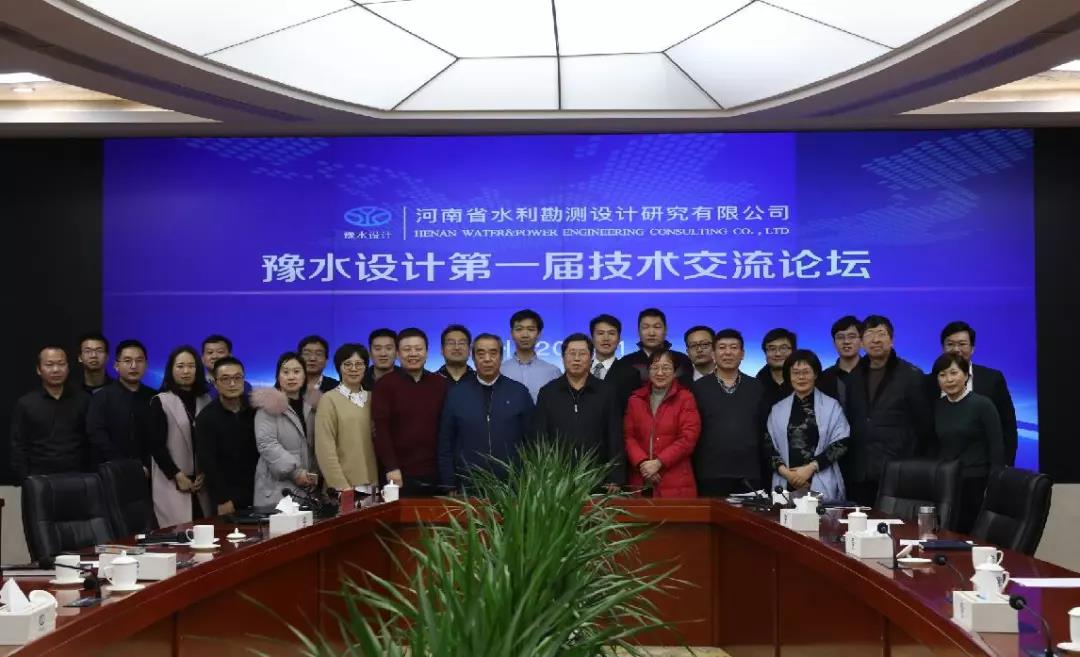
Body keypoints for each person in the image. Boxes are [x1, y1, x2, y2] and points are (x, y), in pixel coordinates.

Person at [842, 315, 934, 506]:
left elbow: (925, 426)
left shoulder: (912, 376)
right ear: (862, 342)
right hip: (859, 472)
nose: (875, 339)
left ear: (891, 340)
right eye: (869, 334)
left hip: (897, 471)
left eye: (881, 334)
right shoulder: (853, 377)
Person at [438, 333, 534, 489]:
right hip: (468, 485)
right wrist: (449, 484)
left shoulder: (519, 392)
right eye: (481, 354)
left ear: (501, 357)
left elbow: (533, 441)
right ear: (473, 358)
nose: (487, 359)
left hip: (513, 485)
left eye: (493, 353)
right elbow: (445, 443)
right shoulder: (457, 394)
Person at [533, 333, 625, 485]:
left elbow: (615, 436)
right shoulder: (548, 393)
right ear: (563, 357)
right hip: (557, 479)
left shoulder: (606, 392)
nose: (576, 358)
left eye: (582, 354)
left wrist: (615, 476)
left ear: (591, 357)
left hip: (598, 476)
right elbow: (540, 437)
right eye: (572, 353)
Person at [931, 352, 1004, 532]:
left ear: (966, 375)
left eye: (954, 373)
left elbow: (997, 447)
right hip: (946, 481)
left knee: (970, 533)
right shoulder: (938, 406)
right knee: (945, 531)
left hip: (976, 482)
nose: (949, 379)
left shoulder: (983, 405)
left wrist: (993, 486)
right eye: (942, 375)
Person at [764, 350, 850, 501]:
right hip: (786, 481)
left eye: (806, 372)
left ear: (815, 374)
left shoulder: (831, 406)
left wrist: (810, 468)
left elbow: (841, 443)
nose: (801, 377)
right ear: (789, 376)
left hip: (820, 479)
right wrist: (788, 474)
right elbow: (768, 446)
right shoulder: (778, 409)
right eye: (796, 373)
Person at [691, 329, 767, 497]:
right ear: (713, 354)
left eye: (733, 347)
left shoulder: (756, 387)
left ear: (742, 354)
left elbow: (763, 430)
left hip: (749, 471)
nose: (727, 352)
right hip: (709, 473)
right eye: (722, 347)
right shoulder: (698, 388)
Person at [373, 328, 449, 493]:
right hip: (397, 474)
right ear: (398, 354)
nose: (413, 354)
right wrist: (391, 467)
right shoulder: (384, 385)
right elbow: (381, 430)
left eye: (418, 349)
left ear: (427, 353)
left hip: (436, 473)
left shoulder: (441, 384)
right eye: (407, 349)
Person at [148, 346, 212, 527]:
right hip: (173, 481)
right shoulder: (160, 401)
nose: (186, 371)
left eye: (191, 366)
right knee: (178, 534)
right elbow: (156, 445)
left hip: (201, 484)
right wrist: (176, 475)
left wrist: (205, 472)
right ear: (171, 369)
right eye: (180, 366)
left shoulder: (206, 399)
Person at [623, 349, 701, 498]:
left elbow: (688, 438)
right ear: (648, 371)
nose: (660, 373)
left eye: (666, 368)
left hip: (675, 479)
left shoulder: (685, 398)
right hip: (640, 478)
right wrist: (643, 464)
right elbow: (628, 437)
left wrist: (658, 462)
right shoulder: (635, 399)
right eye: (655, 367)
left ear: (675, 372)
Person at [939, 321, 1019, 466]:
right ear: (942, 348)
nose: (956, 349)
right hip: (942, 468)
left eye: (962, 344)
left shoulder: (992, 379)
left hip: (981, 467)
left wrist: (1005, 466)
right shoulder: (931, 381)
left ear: (972, 349)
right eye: (950, 344)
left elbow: (1008, 426)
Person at [9, 345, 90, 480]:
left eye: (61, 364)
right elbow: (18, 446)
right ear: (39, 369)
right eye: (49, 364)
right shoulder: (26, 403)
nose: (56, 369)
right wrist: (25, 479)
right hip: (39, 477)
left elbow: (91, 440)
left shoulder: (84, 400)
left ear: (68, 368)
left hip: (78, 476)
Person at [251, 352, 319, 508]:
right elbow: (267, 444)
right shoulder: (268, 406)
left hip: (307, 487)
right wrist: (295, 473)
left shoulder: (312, 406)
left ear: (304, 376)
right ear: (278, 376)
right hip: (277, 489)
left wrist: (313, 475)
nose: (291, 377)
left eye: (296, 371)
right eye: (285, 372)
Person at [194, 357, 258, 515]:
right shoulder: (206, 418)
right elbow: (208, 463)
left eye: (237, 378)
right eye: (225, 379)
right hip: (228, 496)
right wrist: (222, 499)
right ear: (215, 383)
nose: (232, 383)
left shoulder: (255, 410)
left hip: (260, 489)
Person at [315, 343, 379, 491]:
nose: (354, 369)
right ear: (339, 367)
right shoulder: (329, 399)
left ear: (366, 367)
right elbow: (325, 449)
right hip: (344, 486)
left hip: (373, 483)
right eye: (347, 364)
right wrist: (340, 486)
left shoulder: (373, 398)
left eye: (359, 364)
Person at [86, 339, 156, 469]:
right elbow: (97, 435)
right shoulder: (101, 397)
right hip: (111, 470)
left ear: (146, 365)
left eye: (139, 360)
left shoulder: (154, 397)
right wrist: (125, 465)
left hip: (148, 471)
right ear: (116, 366)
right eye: (127, 361)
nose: (134, 366)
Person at [608, 308, 693, 410]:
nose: (651, 333)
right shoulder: (625, 363)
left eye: (657, 327)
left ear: (665, 330)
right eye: (645, 327)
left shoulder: (682, 361)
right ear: (638, 331)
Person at [500, 308, 562, 402]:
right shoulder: (500, 370)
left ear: (539, 334)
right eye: (519, 329)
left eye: (530, 329)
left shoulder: (553, 372)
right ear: (512, 333)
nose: (525, 335)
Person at [818, 316, 862, 408]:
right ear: (834, 343)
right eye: (840, 337)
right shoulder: (823, 378)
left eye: (852, 337)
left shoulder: (874, 373)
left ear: (862, 341)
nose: (846, 341)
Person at [201, 334, 251, 399]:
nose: (214, 356)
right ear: (202, 359)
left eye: (220, 352)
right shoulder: (196, 386)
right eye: (210, 352)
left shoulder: (244, 387)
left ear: (230, 357)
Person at [756, 328, 796, 408]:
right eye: (772, 348)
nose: (778, 354)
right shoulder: (754, 387)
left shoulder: (807, 383)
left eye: (783, 348)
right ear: (765, 352)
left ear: (793, 351)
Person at [589, 314, 622, 382]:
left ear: (619, 339)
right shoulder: (581, 369)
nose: (606, 338)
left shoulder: (630, 373)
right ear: (592, 339)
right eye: (600, 333)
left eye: (611, 333)